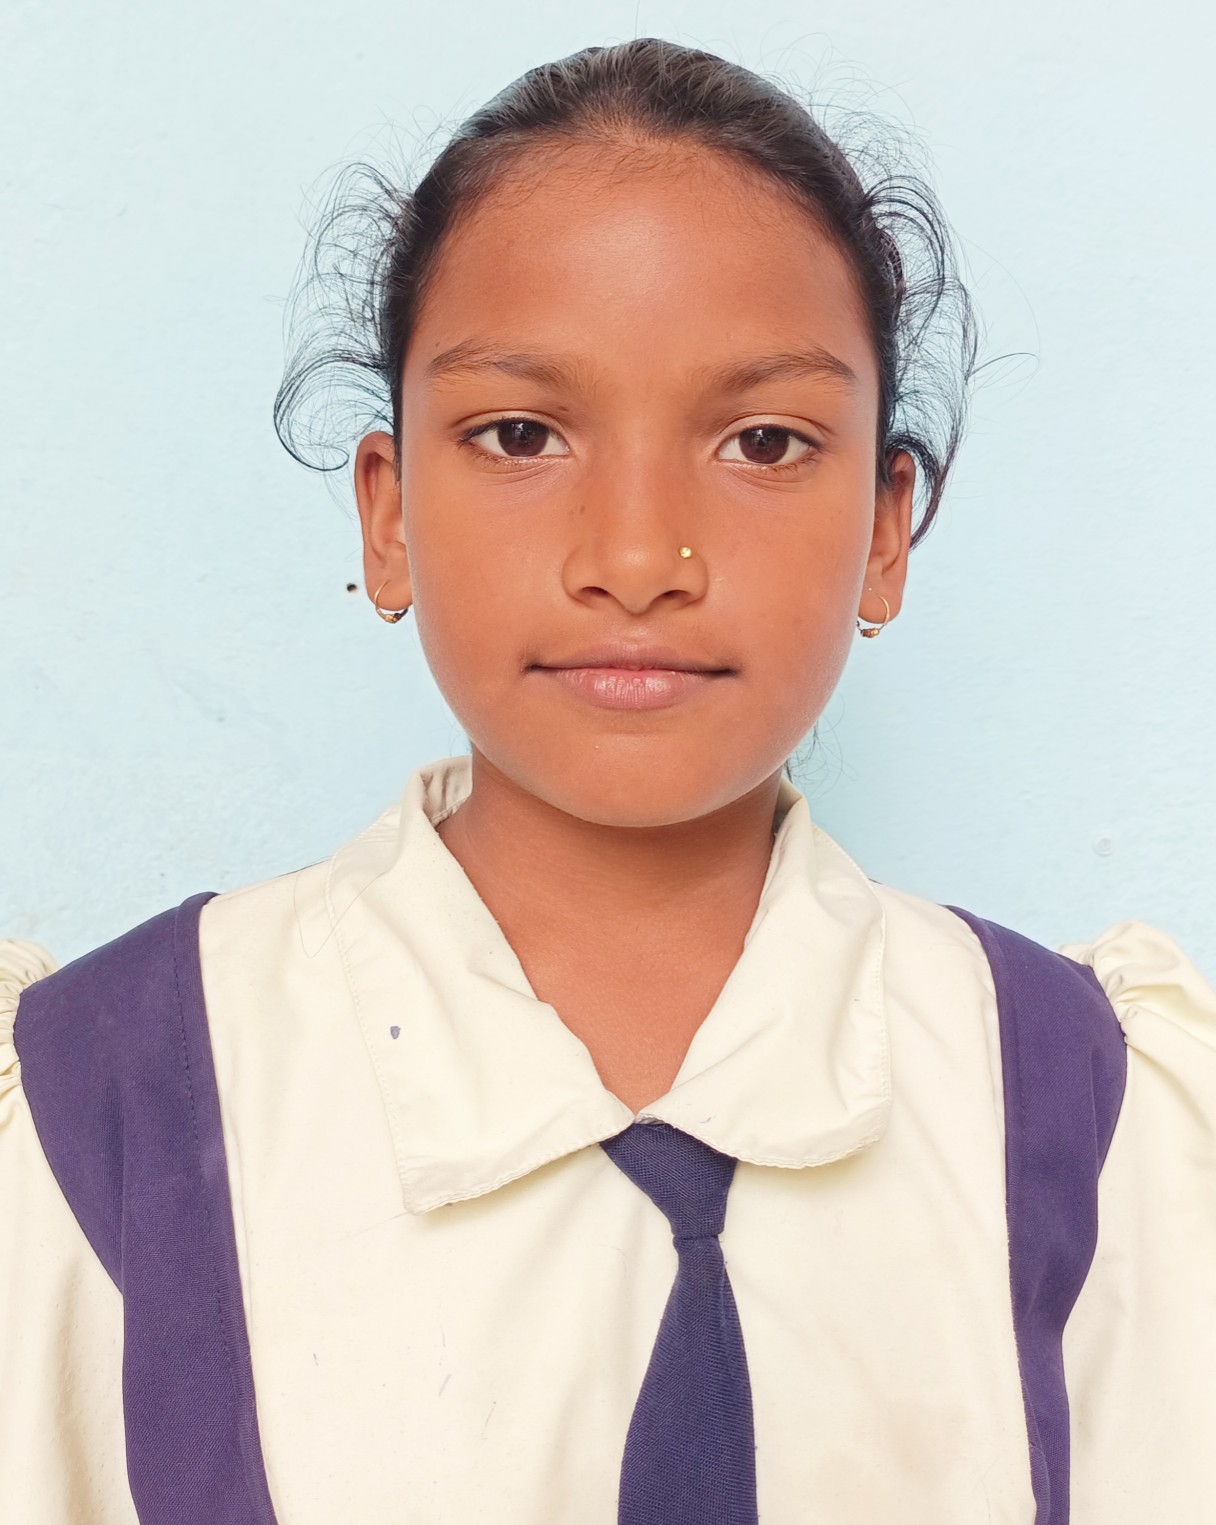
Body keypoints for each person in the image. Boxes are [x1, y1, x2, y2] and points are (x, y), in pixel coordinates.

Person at [2, 36, 1214, 1525]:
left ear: (887, 529)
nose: (638, 558)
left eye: (764, 441)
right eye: (520, 435)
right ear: (389, 514)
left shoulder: (1087, 1116)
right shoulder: (108, 1110)